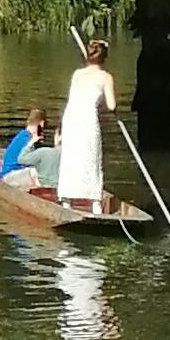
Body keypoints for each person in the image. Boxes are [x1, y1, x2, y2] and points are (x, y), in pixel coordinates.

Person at [57, 34, 118, 215]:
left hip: (71, 117)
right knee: (91, 158)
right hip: (87, 119)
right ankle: (95, 204)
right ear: (104, 58)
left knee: (71, 157)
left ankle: (66, 200)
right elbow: (112, 105)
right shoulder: (105, 77)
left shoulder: (77, 74)